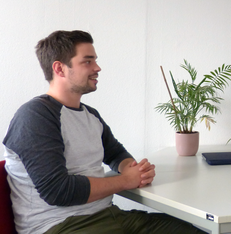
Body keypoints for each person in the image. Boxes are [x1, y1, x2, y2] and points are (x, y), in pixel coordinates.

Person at [2, 30, 206, 234]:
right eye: (87, 61)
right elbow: (58, 191)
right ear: (59, 68)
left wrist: (134, 169)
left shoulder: (90, 115)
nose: (97, 68)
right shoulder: (35, 117)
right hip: (60, 227)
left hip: (107, 216)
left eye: (95, 61)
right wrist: (127, 180)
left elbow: (115, 153)